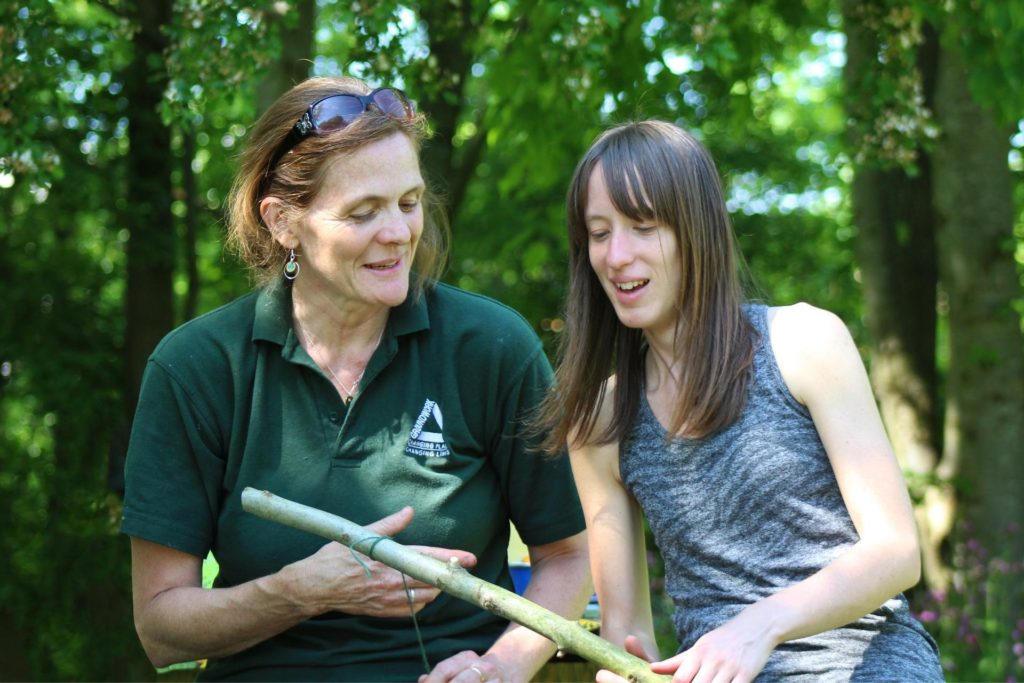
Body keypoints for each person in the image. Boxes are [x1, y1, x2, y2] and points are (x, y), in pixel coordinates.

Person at [120, 75, 591, 682]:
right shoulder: (198, 368)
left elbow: (568, 558)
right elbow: (160, 629)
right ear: (284, 223)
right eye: (363, 212)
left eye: (409, 201)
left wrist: (500, 667)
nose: (398, 233)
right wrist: (303, 591)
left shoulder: (490, 346)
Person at [539, 120, 943, 682]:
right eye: (599, 233)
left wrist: (759, 625)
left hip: (869, 666)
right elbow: (627, 631)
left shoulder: (805, 343)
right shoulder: (602, 419)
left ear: (694, 230)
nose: (616, 255)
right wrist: (628, 671)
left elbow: (897, 552)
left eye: (642, 226)